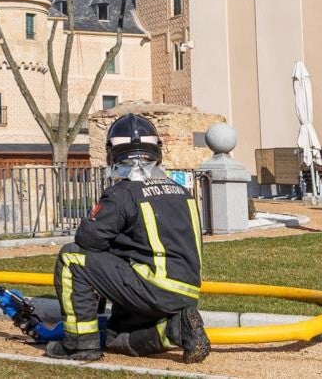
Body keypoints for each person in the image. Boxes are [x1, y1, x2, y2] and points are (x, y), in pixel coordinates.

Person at [45, 114, 210, 364]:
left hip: (151, 285)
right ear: (156, 151)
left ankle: (79, 344)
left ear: (114, 153)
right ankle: (176, 328)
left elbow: (88, 240)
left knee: (71, 258)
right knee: (114, 337)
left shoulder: (122, 193)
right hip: (186, 292)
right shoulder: (183, 192)